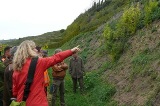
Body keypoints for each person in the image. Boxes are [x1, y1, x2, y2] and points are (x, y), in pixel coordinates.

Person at [12, 40, 80, 106]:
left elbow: (15, 92)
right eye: (34, 48)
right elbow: (55, 58)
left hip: (21, 102)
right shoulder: (38, 62)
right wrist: (71, 51)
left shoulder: (17, 67)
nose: (36, 50)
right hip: (37, 102)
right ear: (30, 50)